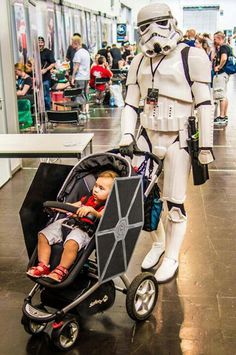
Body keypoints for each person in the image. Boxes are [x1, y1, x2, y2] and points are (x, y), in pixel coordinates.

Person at [119, 3, 214, 283]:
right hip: (146, 137)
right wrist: (126, 134)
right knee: (143, 198)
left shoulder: (192, 56)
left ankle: (172, 255)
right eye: (145, 27)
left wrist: (206, 145)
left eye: (159, 23)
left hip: (178, 137)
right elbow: (129, 103)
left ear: (171, 22)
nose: (152, 32)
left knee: (174, 202)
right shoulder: (138, 62)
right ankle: (158, 244)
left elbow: (205, 103)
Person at [27, 170, 118, 283]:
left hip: (84, 230)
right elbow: (70, 206)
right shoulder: (86, 199)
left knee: (71, 244)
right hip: (67, 223)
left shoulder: (107, 206)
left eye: (101, 188)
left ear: (112, 193)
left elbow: (101, 215)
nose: (95, 190)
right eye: (95, 185)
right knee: (43, 235)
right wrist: (57, 207)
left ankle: (61, 270)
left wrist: (92, 211)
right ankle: (43, 265)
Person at [212, 31, 231, 125]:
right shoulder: (227, 46)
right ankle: (224, 116)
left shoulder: (223, 47)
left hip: (221, 73)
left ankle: (222, 117)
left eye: (215, 39)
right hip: (225, 74)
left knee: (221, 96)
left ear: (219, 38)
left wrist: (218, 67)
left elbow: (224, 58)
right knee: (223, 95)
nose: (214, 40)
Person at [71, 35, 91, 114]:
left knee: (79, 95)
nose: (71, 45)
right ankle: (86, 110)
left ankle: (82, 112)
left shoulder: (78, 53)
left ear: (76, 43)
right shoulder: (86, 52)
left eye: (72, 43)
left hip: (80, 77)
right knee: (85, 94)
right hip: (86, 77)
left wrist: (72, 77)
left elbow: (76, 67)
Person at [38, 36, 56, 110]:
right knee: (39, 95)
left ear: (44, 43)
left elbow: (53, 63)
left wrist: (45, 69)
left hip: (45, 77)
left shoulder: (48, 52)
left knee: (45, 95)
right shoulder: (35, 53)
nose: (40, 44)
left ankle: (48, 111)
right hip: (38, 78)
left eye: (41, 42)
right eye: (39, 42)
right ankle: (41, 110)